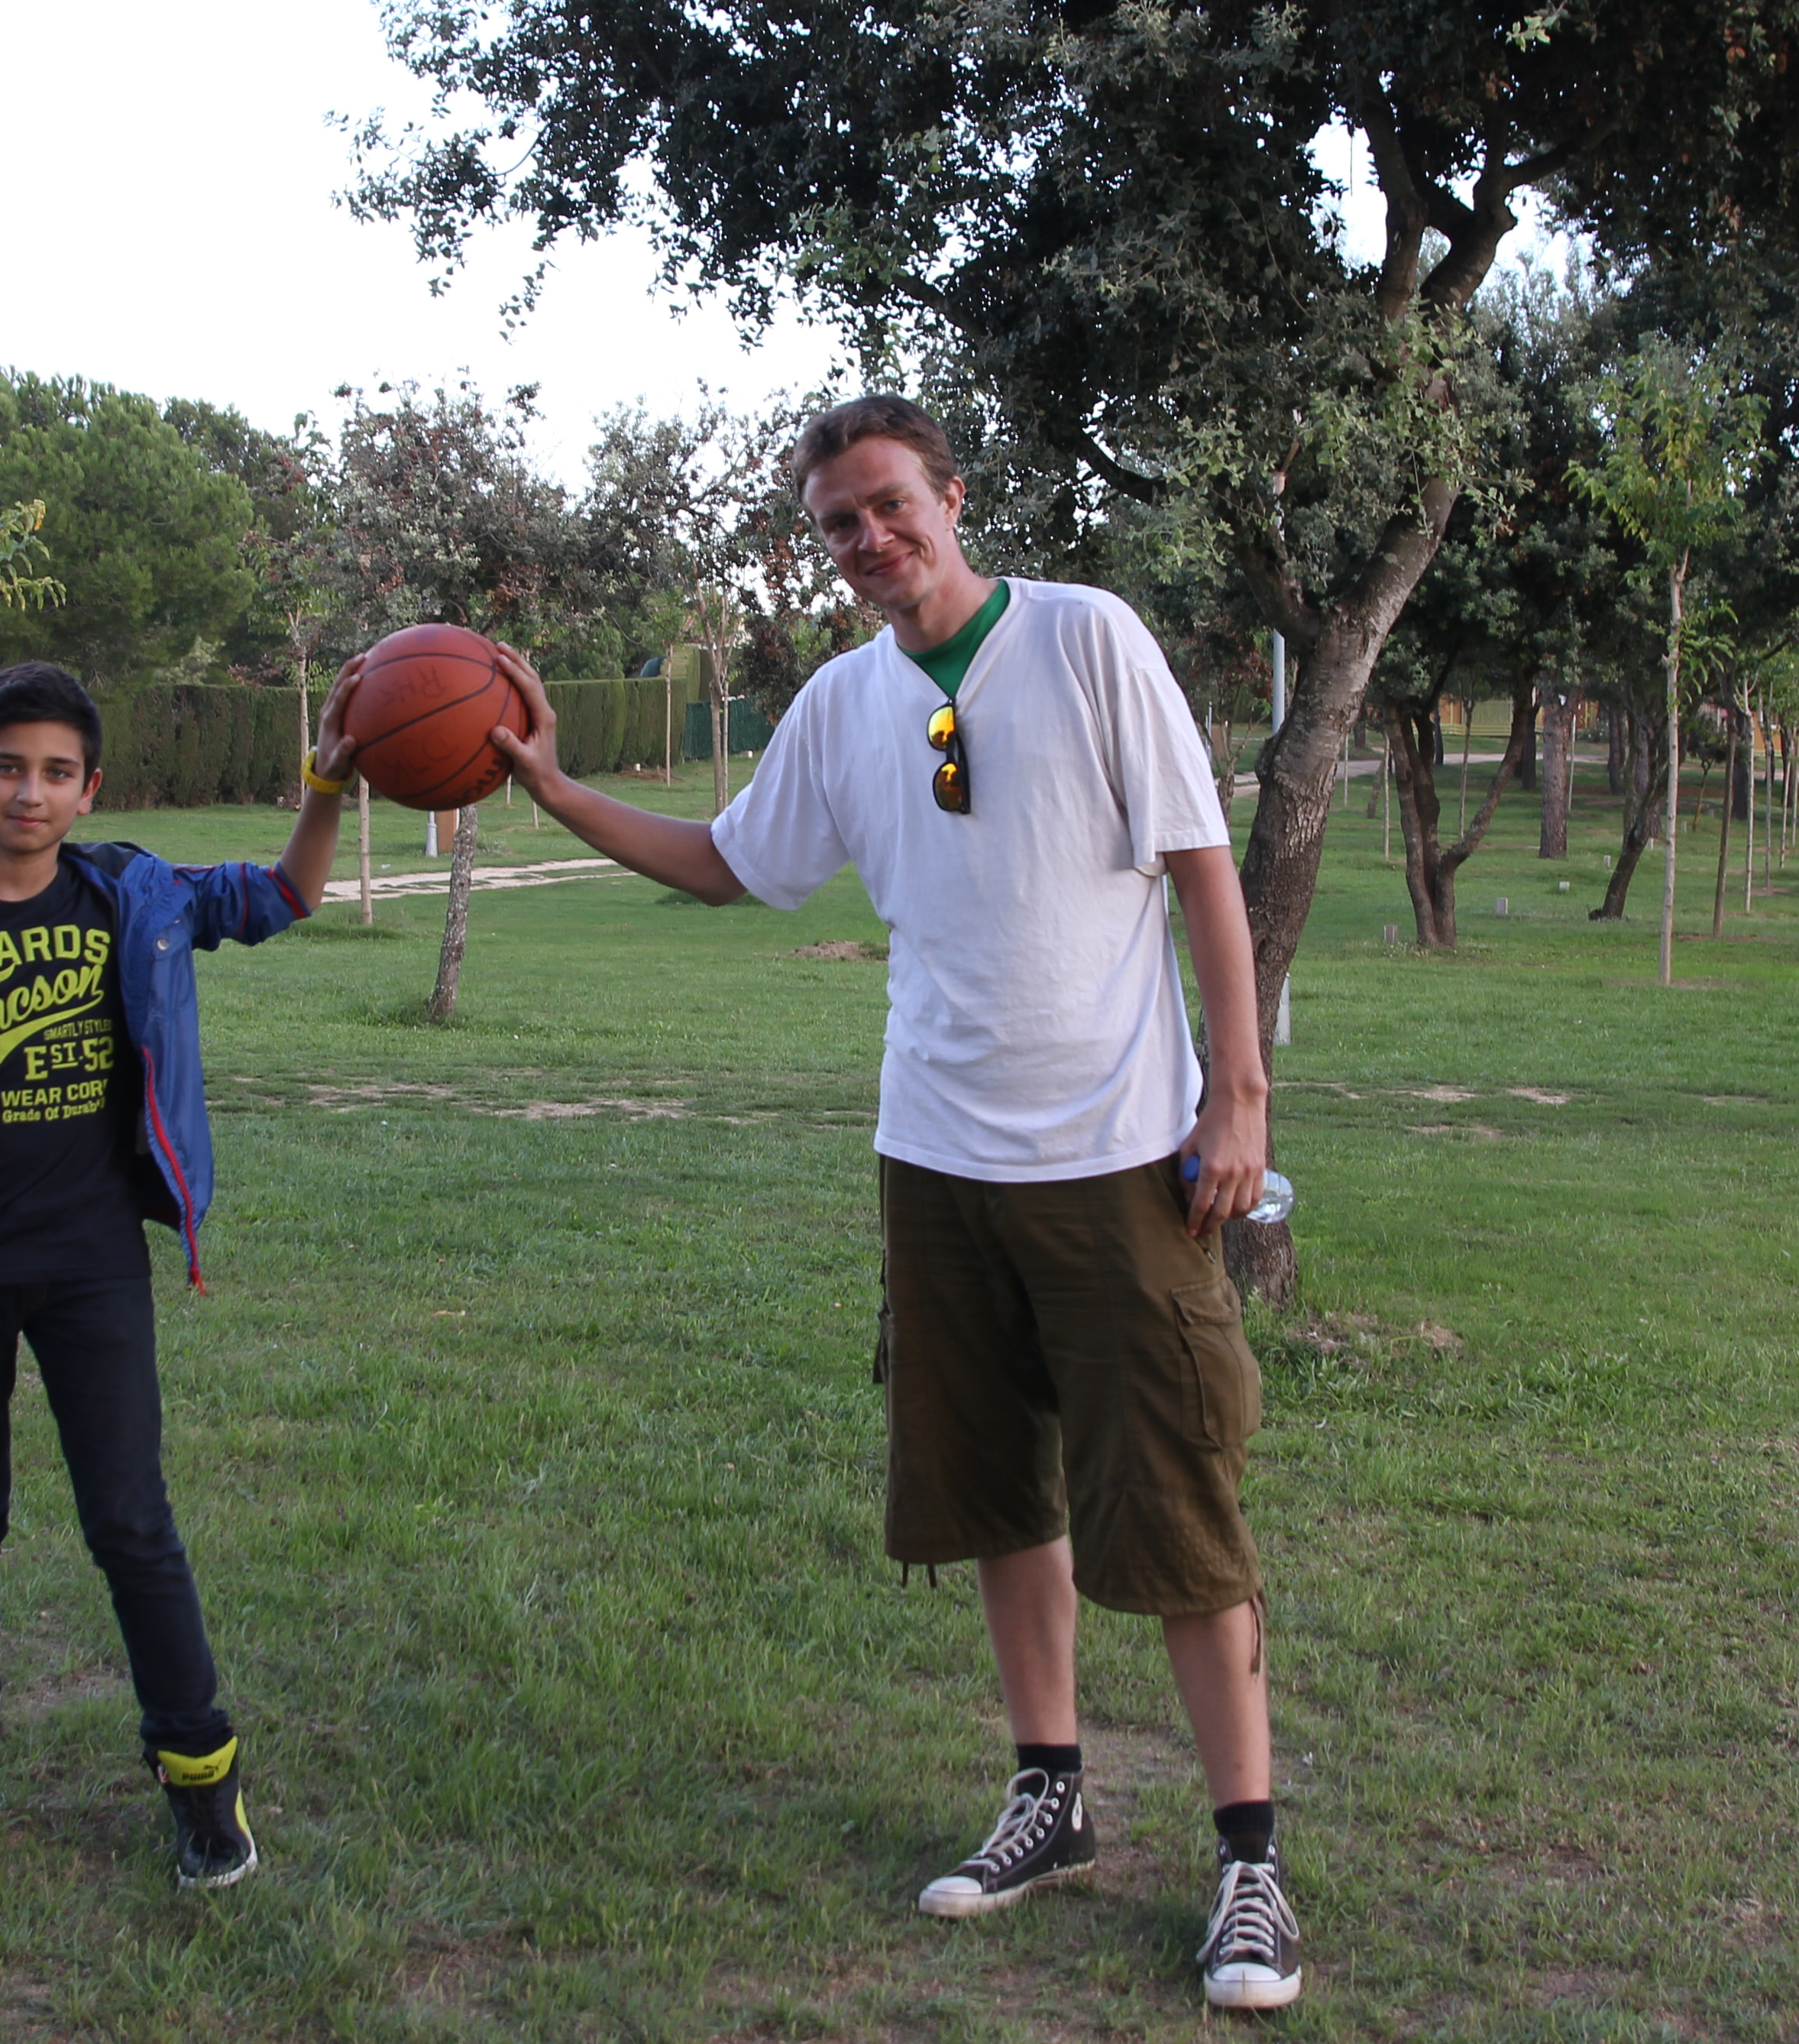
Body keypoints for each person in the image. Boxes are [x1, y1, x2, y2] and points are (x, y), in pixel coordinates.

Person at [484, 394, 1305, 2012]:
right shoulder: (845, 702)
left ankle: (1248, 1860)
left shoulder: (1083, 637)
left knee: (1176, 1505)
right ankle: (1050, 1796)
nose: (866, 539)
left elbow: (1202, 862)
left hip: (1113, 1160)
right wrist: (559, 792)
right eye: (836, 523)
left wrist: (1240, 1091)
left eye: (885, 505)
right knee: (993, 1492)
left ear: (949, 495)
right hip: (933, 1159)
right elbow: (729, 863)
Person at [0, 656, 367, 1887]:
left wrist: (326, 783)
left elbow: (284, 893)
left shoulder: (134, 893)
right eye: (6, 767)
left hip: (91, 1268)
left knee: (130, 1519)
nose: (29, 791)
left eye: (55, 771)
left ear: (89, 790)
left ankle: (199, 1775)